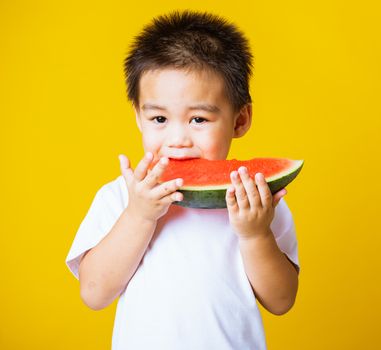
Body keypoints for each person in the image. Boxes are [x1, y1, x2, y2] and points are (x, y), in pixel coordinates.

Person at [65, 10, 300, 350]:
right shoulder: (120, 197)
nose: (178, 139)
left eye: (199, 119)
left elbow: (281, 301)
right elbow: (94, 293)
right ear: (138, 117)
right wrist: (139, 214)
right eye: (159, 117)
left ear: (240, 120)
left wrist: (255, 234)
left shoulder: (256, 200)